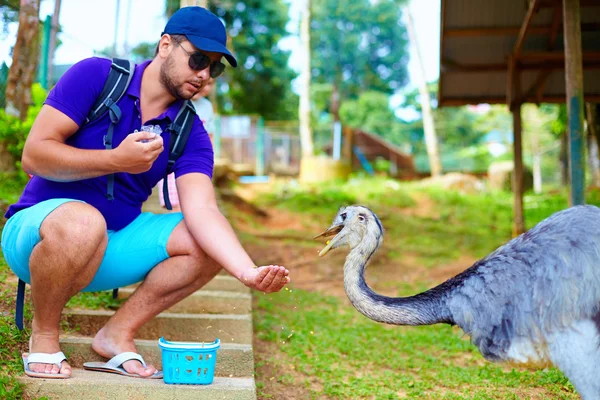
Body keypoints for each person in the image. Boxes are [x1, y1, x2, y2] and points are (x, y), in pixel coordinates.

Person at [0, 6, 290, 379]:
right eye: (198, 59)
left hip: (111, 246)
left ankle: (117, 333)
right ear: (165, 45)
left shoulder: (190, 132)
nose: (204, 74)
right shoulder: (97, 76)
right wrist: (116, 160)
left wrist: (247, 272)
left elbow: (203, 210)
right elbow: (34, 156)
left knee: (205, 239)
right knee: (83, 222)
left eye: (214, 67)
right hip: (36, 238)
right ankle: (44, 336)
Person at [157, 78, 216, 212]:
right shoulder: (175, 102)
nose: (205, 87)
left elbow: (210, 134)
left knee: (196, 201)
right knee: (173, 204)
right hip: (172, 160)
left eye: (210, 84)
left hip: (196, 160)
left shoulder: (207, 106)